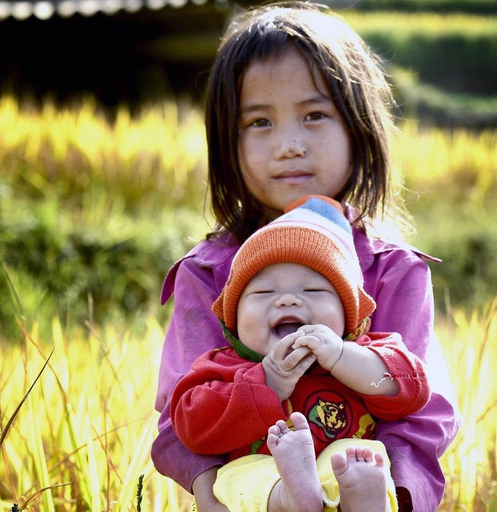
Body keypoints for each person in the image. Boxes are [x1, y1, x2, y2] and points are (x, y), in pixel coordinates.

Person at [151, 3, 461, 511]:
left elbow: (423, 409)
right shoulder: (206, 273)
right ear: (227, 141)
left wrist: (397, 496)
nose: (289, 145)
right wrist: (209, 493)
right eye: (259, 122)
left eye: (314, 115)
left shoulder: (392, 268)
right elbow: (180, 408)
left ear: (358, 127)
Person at [170, 195, 432, 512]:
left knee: (358, 458)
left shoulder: (363, 352)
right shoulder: (224, 365)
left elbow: (411, 387)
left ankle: (363, 501)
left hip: (339, 463)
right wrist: (267, 382)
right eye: (264, 292)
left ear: (348, 315)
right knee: (235, 479)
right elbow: (191, 427)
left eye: (313, 290)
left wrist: (341, 358)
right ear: (234, 320)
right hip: (261, 469)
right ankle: (290, 497)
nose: (287, 301)